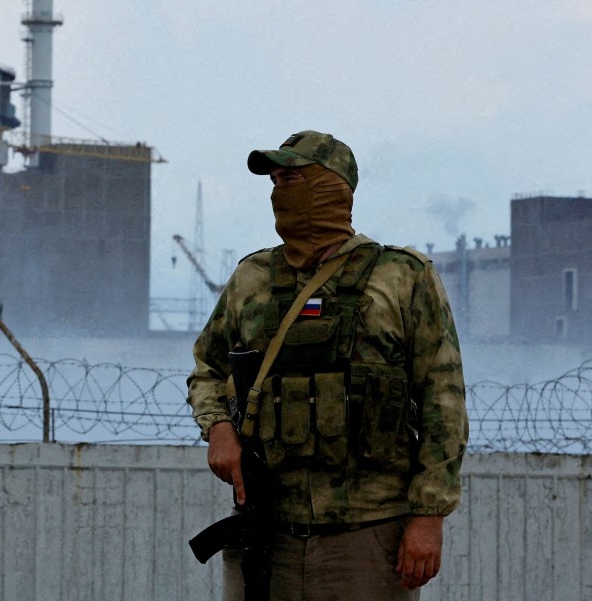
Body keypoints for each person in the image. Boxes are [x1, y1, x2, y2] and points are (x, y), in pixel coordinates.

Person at [187, 130, 468, 601]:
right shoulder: (252, 278)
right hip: (267, 530)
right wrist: (217, 427)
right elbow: (208, 368)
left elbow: (444, 399)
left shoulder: (402, 276)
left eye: (292, 178)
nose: (280, 192)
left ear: (333, 187)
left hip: (368, 534)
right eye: (274, 181)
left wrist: (428, 516)